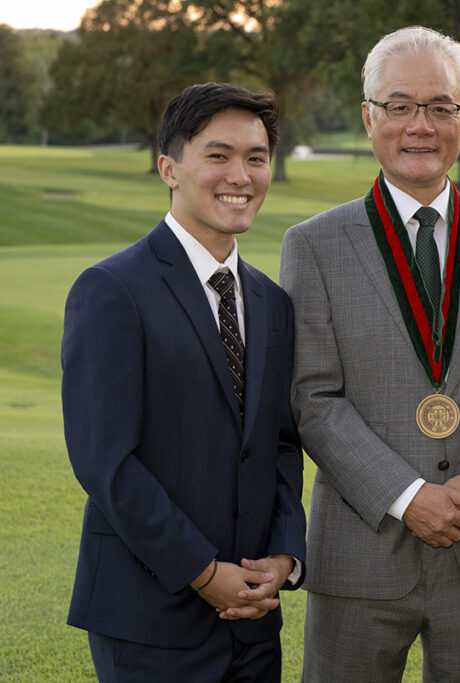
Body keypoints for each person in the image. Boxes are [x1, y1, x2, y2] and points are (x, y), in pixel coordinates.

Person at [279, 25, 460, 682]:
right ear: (368, 116)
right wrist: (408, 496)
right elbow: (312, 395)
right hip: (360, 550)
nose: (420, 125)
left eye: (440, 107)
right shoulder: (314, 245)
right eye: (399, 105)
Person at [61, 82, 306, 681]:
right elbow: (106, 462)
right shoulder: (113, 290)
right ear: (170, 169)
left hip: (253, 620)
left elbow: (277, 443)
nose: (241, 175)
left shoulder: (273, 303)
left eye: (256, 157)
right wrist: (203, 571)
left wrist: (283, 555)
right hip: (148, 618)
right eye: (218, 156)